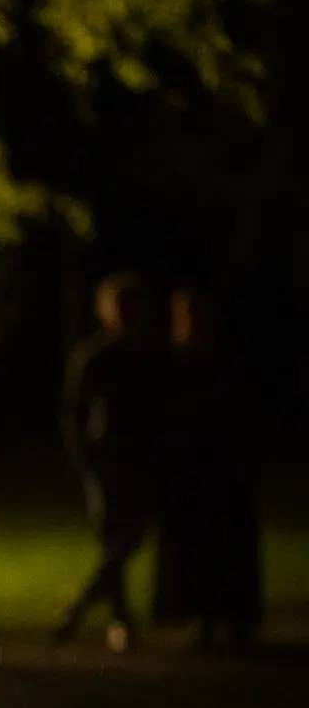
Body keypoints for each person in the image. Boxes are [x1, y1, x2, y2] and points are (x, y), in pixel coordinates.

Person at [55, 272, 163, 650]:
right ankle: (119, 616)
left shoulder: (149, 354)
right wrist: (83, 456)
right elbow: (73, 410)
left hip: (141, 456)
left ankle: (85, 605)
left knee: (127, 538)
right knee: (116, 535)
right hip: (108, 457)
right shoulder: (96, 355)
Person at [153, 287, 262, 649]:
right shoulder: (175, 363)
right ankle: (201, 616)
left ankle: (233, 616)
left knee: (229, 545)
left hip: (226, 469)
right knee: (194, 547)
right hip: (190, 470)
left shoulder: (226, 361)